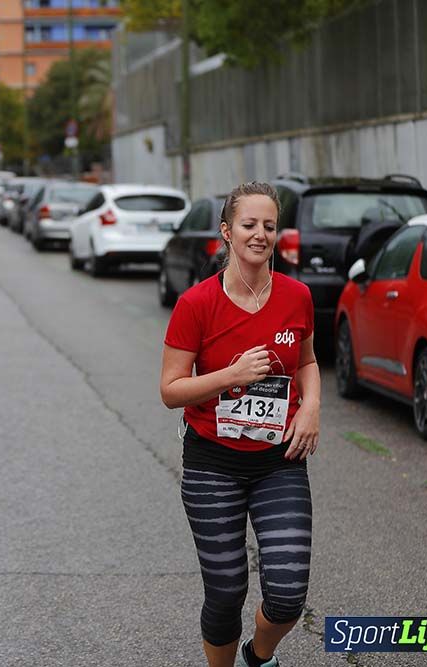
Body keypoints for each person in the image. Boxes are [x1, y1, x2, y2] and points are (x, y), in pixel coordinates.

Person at [159, 181, 320, 667]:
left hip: (279, 460)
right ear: (227, 232)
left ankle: (260, 655)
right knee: (226, 591)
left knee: (289, 593)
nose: (260, 235)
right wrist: (231, 375)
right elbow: (170, 390)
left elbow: (308, 362)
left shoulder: (297, 297)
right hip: (212, 462)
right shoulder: (196, 304)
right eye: (249, 225)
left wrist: (311, 407)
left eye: (269, 226)